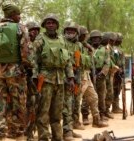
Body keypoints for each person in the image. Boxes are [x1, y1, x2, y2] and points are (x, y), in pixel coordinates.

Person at [0, 2, 29, 140]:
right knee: (18, 102)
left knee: (0, 102)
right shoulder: (20, 28)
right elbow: (26, 52)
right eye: (18, 14)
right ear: (12, 15)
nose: (20, 17)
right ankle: (16, 132)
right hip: (15, 72)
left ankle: (0, 132)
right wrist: (27, 67)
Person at [31, 13, 75, 141]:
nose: (50, 25)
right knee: (43, 112)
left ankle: (58, 137)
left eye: (53, 22)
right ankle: (44, 138)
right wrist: (34, 77)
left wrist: (71, 77)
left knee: (57, 113)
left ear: (57, 25)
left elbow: (68, 61)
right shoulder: (40, 40)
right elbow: (34, 60)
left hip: (60, 80)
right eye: (48, 23)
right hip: (45, 80)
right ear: (44, 25)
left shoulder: (62, 40)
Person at [78, 26, 109, 127]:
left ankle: (97, 118)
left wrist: (103, 73)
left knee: (98, 96)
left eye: (98, 38)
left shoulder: (103, 49)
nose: (96, 40)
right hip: (86, 73)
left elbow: (107, 63)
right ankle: (84, 117)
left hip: (98, 74)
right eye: (93, 38)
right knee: (83, 98)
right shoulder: (83, 46)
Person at [61, 21, 82, 140]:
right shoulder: (62, 42)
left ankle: (71, 128)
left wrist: (77, 78)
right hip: (64, 77)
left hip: (75, 76)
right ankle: (66, 131)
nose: (70, 32)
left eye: (73, 30)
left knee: (74, 104)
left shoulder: (78, 45)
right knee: (66, 105)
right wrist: (69, 78)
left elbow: (78, 62)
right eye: (68, 30)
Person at [24, 21, 40, 140]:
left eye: (36, 30)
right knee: (27, 106)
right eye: (32, 30)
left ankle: (32, 131)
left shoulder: (39, 45)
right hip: (25, 80)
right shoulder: (24, 45)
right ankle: (26, 133)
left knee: (37, 106)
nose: (34, 32)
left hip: (38, 81)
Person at [112, 33, 125, 113]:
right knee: (113, 89)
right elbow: (114, 60)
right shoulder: (113, 49)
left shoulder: (119, 49)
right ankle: (112, 107)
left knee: (117, 89)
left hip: (119, 72)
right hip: (115, 72)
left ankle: (115, 107)